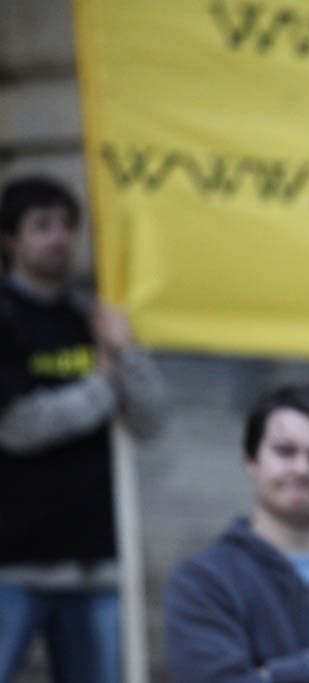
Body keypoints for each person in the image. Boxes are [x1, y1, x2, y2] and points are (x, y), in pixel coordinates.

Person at [0, 176, 166, 683]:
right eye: (42, 226)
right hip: (12, 564)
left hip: (96, 565)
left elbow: (151, 419)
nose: (58, 238)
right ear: (10, 239)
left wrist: (127, 352)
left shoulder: (94, 318)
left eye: (67, 225)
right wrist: (104, 384)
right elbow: (17, 426)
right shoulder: (6, 319)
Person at [164, 385, 309, 683]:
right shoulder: (202, 582)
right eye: (285, 451)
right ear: (251, 460)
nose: (301, 468)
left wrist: (269, 674)